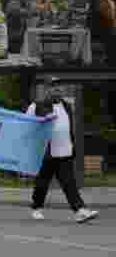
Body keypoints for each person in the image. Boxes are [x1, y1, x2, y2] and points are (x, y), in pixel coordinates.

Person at [26, 78, 98, 223]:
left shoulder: (66, 106)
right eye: (53, 87)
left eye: (59, 87)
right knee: (42, 183)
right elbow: (27, 124)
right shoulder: (36, 106)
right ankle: (36, 207)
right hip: (46, 152)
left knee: (69, 183)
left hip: (65, 151)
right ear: (47, 90)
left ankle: (80, 211)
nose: (57, 89)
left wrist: (71, 145)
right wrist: (42, 120)